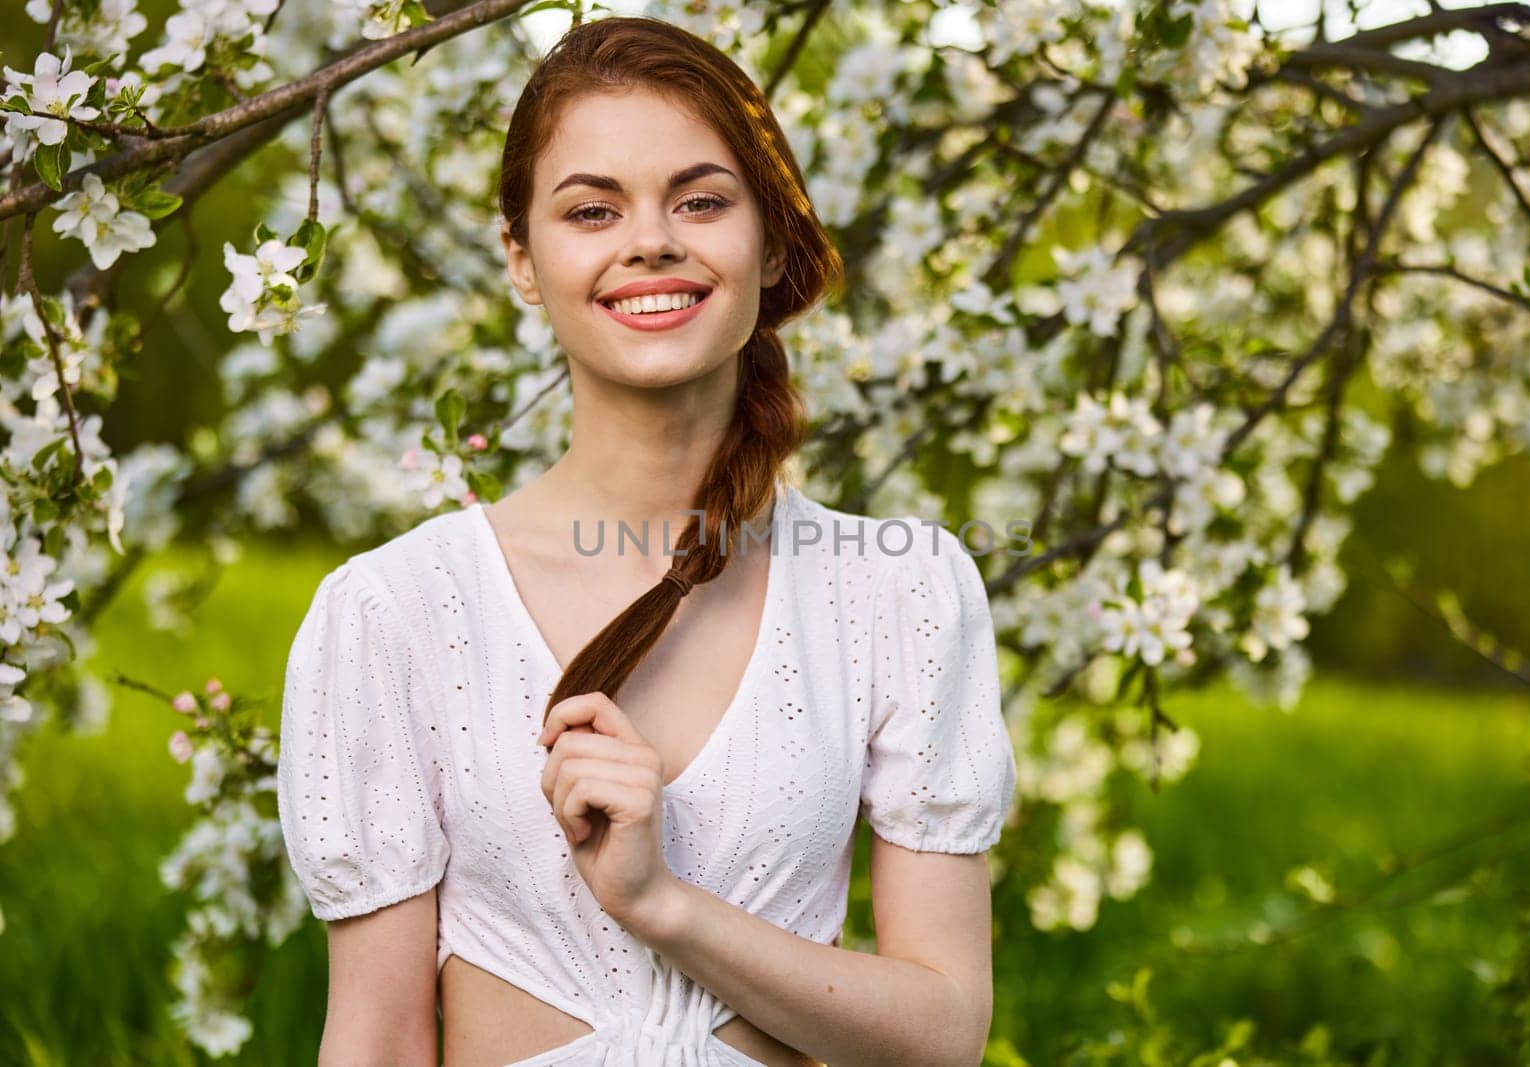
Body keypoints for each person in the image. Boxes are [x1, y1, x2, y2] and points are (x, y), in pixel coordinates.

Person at [276, 15, 1017, 1067]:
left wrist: (661, 902)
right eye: (592, 209)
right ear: (522, 259)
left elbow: (943, 1036)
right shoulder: (397, 611)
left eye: (701, 200)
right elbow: (380, 1038)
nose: (651, 240)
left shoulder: (897, 590)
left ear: (769, 242)